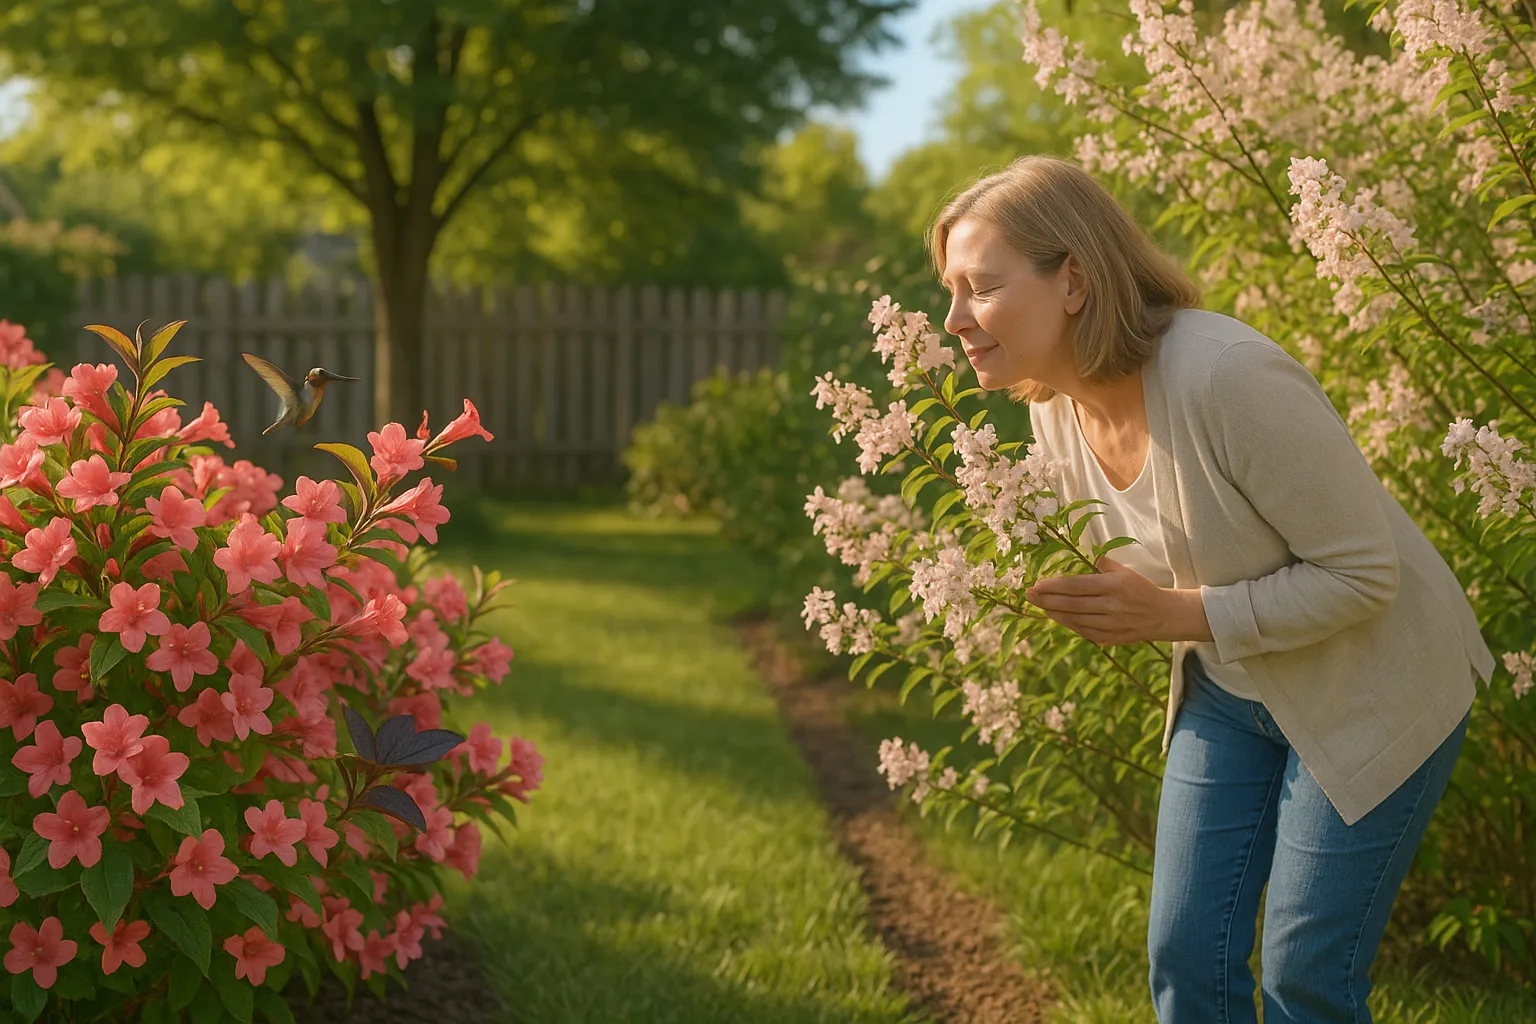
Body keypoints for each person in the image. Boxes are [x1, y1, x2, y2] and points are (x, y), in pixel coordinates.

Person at [929, 155, 1495, 1024]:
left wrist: (1168, 614)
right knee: (1187, 959)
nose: (955, 319)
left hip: (1372, 685)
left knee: (1305, 980)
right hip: (1231, 693)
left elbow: (1363, 575)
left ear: (1073, 280)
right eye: (951, 291)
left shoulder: (1227, 374)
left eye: (982, 287)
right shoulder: (1052, 410)